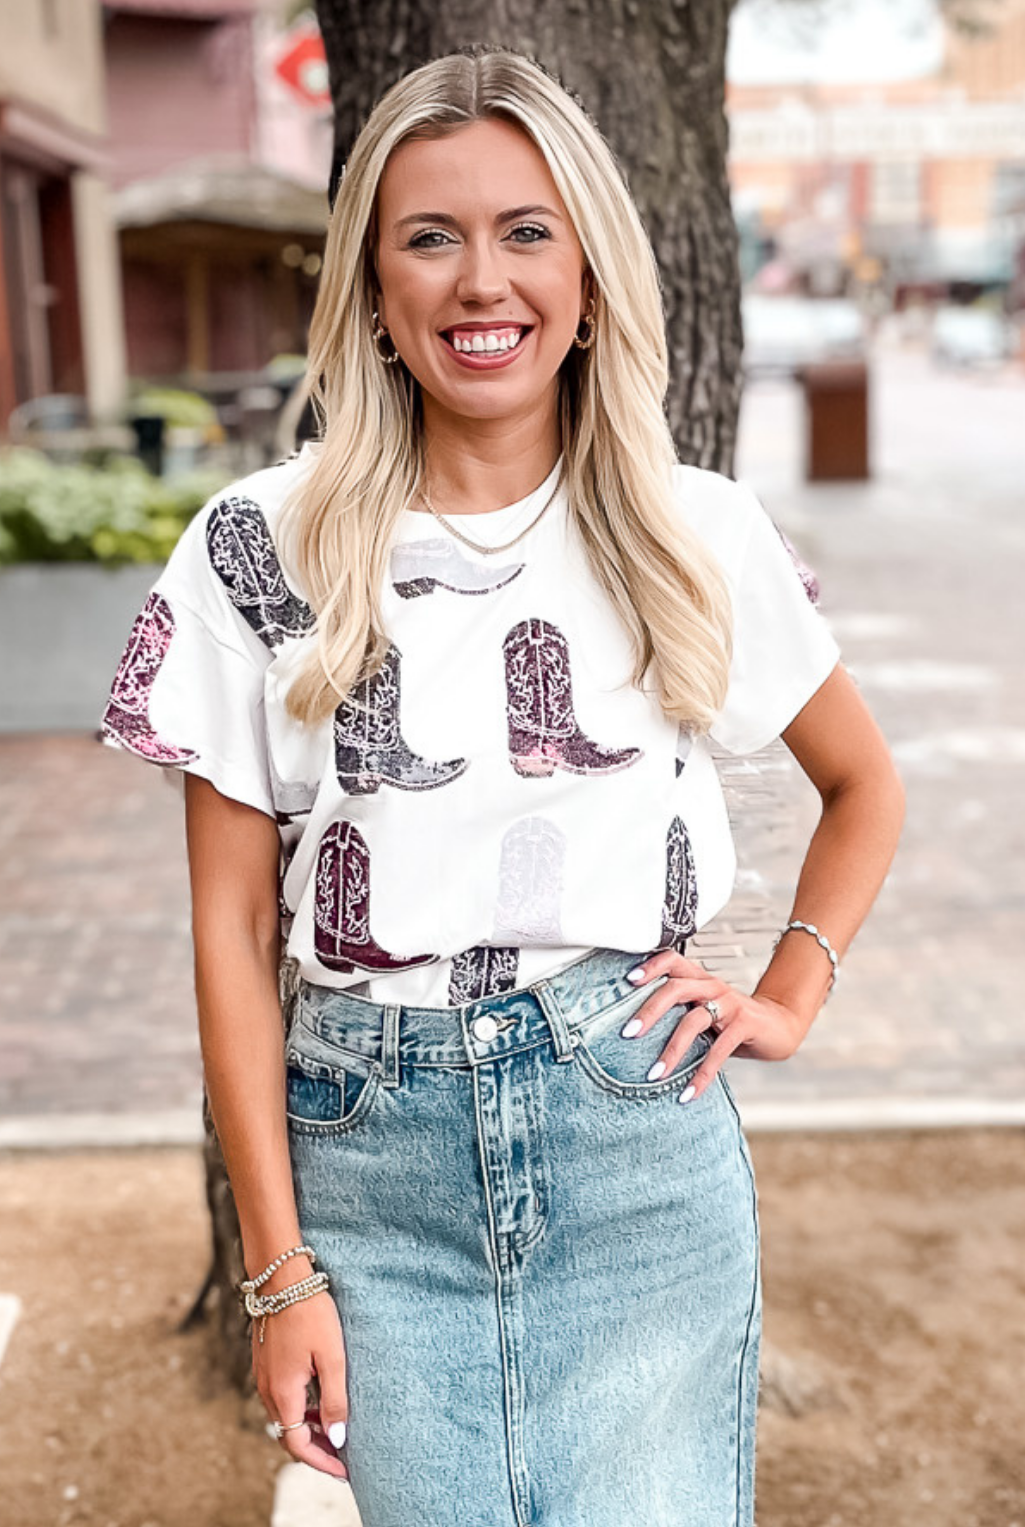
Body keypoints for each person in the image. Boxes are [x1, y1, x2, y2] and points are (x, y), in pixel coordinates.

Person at [99, 45, 905, 1527]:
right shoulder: (254, 549)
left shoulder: (693, 534)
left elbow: (865, 786)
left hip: (636, 1143)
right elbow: (227, 935)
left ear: (589, 279)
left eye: (528, 231)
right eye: (431, 236)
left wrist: (791, 989)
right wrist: (279, 1275)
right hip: (369, 1172)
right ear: (374, 289)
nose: (484, 281)